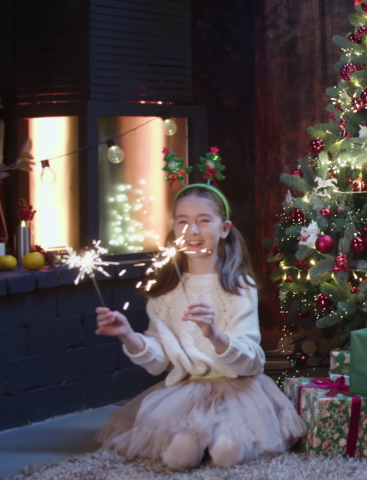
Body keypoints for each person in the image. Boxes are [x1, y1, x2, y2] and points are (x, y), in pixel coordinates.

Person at [94, 184, 305, 469]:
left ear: (224, 228)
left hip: (239, 390)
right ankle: (202, 439)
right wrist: (128, 335)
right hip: (187, 390)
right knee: (179, 458)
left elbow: (252, 361)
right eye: (183, 222)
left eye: (204, 220)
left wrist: (214, 335)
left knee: (228, 455)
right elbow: (158, 361)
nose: (192, 231)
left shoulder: (239, 286)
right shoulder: (164, 291)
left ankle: (222, 439)